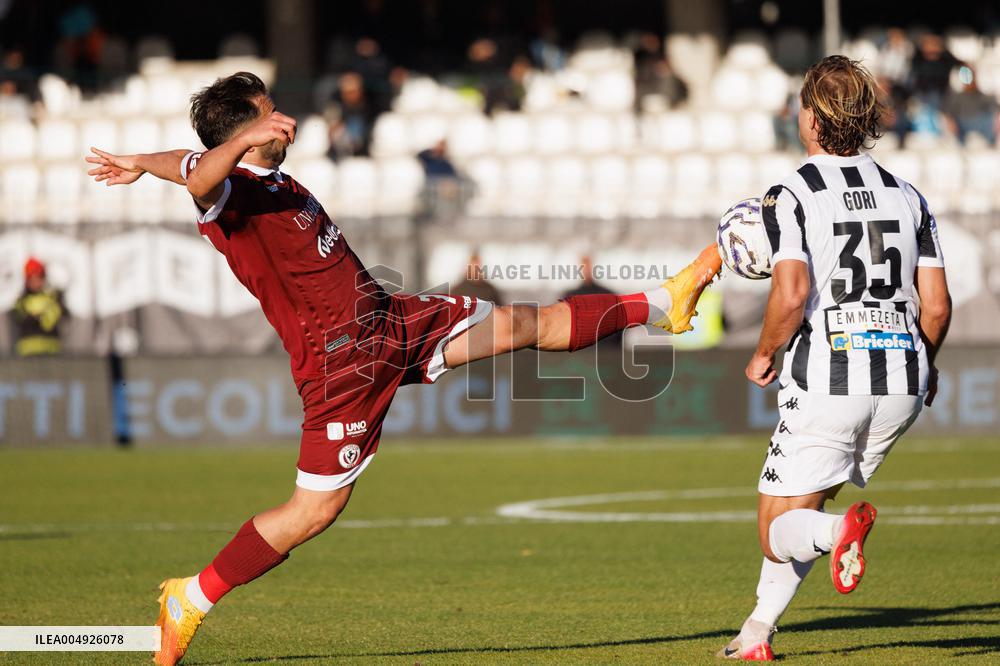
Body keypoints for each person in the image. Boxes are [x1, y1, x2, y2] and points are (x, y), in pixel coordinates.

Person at [84, 71, 722, 665]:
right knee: (314, 512)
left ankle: (661, 303)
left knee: (525, 323)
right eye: (269, 114)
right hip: (342, 366)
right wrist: (153, 159)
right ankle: (191, 597)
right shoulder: (231, 194)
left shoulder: (280, 184)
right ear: (242, 133)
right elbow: (195, 177)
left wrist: (171, 153)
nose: (285, 121)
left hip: (393, 323)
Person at [718, 56, 951, 660]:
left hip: (829, 373)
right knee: (808, 499)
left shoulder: (791, 193)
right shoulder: (910, 196)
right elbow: (938, 307)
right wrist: (925, 366)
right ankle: (756, 634)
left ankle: (835, 532)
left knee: (779, 531)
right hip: (903, 375)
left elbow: (792, 292)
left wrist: (764, 352)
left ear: (814, 117)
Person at [12, 257, 68, 356]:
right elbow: (19, 319)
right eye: (32, 278)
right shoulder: (21, 300)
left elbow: (53, 320)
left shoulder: (53, 298)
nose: (36, 282)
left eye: (39, 277)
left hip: (51, 350)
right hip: (28, 352)